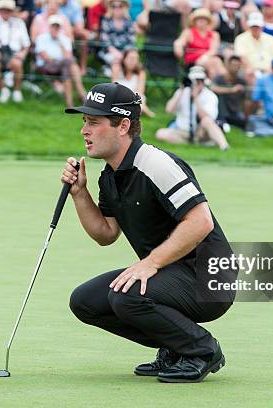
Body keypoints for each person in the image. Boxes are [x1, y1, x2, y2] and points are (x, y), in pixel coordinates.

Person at [63, 81, 235, 383]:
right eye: (84, 122)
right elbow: (105, 234)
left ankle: (201, 350)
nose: (84, 130)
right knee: (85, 301)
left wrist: (150, 263)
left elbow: (201, 221)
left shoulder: (156, 163)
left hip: (209, 278)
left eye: (93, 122)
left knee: (126, 296)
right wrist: (80, 194)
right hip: (173, 274)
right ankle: (175, 346)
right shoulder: (111, 175)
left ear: (123, 125)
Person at [156, 66, 230, 150]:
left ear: (203, 82)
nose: (196, 84)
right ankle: (194, 144)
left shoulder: (210, 96)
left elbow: (206, 117)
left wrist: (196, 98)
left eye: (199, 81)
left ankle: (224, 145)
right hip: (183, 131)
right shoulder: (182, 92)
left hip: (201, 131)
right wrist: (181, 90)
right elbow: (169, 110)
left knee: (207, 121)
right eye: (194, 81)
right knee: (160, 134)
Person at [34, 14, 86, 107]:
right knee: (71, 64)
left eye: (57, 26)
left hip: (63, 66)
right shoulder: (42, 38)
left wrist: (60, 43)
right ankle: (82, 94)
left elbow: (68, 56)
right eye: (53, 26)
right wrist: (59, 60)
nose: (55, 28)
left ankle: (70, 104)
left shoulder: (64, 39)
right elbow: (45, 57)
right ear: (49, 27)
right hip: (47, 66)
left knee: (69, 68)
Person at [0, 0, 30, 103]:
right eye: (3, 10)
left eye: (8, 10)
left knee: (17, 64)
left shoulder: (19, 23)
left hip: (13, 54)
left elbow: (26, 44)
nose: (5, 12)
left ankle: (16, 91)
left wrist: (23, 54)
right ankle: (3, 89)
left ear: (12, 11)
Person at [174, 7, 224, 78]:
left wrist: (205, 57)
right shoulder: (188, 32)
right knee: (212, 63)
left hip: (207, 58)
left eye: (204, 19)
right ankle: (214, 85)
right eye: (199, 19)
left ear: (208, 21)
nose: (202, 21)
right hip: (193, 61)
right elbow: (180, 42)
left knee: (217, 61)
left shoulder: (214, 34)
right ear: (195, 20)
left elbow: (213, 50)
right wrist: (178, 47)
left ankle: (223, 82)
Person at [234, 12, 273, 80]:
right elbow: (242, 57)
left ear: (262, 27)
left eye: (257, 26)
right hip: (250, 70)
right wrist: (252, 69)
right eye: (253, 26)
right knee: (248, 73)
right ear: (249, 26)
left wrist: (271, 70)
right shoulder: (241, 38)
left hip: (269, 70)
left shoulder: (271, 39)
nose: (255, 29)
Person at [112, 48, 155, 117]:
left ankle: (140, 109)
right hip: (119, 96)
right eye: (131, 58)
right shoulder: (117, 68)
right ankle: (145, 110)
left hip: (134, 96)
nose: (133, 61)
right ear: (124, 59)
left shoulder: (141, 72)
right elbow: (114, 87)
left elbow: (140, 91)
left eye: (136, 59)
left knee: (140, 99)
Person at [98, 0, 136, 78]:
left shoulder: (128, 20)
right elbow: (104, 40)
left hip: (126, 51)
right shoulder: (106, 20)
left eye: (120, 6)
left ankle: (132, 85)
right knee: (116, 62)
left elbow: (132, 40)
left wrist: (124, 53)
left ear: (124, 7)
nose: (117, 8)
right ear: (110, 8)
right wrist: (115, 52)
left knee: (133, 59)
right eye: (114, 6)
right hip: (109, 51)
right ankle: (116, 87)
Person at [211, 55, 249, 129]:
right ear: (227, 65)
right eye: (233, 65)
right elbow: (213, 88)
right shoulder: (219, 78)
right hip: (221, 112)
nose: (235, 68)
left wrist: (246, 117)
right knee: (220, 95)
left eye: (237, 65)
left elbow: (247, 100)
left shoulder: (242, 82)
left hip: (235, 112)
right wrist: (232, 90)